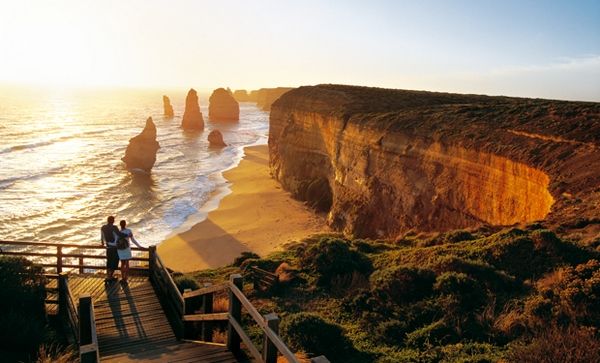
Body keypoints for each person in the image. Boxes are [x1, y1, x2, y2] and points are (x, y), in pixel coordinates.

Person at [101, 216, 127, 282]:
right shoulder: (114, 227)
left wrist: (102, 243)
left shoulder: (103, 227)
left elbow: (102, 237)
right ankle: (110, 277)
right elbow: (119, 234)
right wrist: (127, 235)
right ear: (112, 221)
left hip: (108, 247)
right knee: (114, 262)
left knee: (109, 261)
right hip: (114, 247)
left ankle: (108, 276)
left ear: (107, 220)